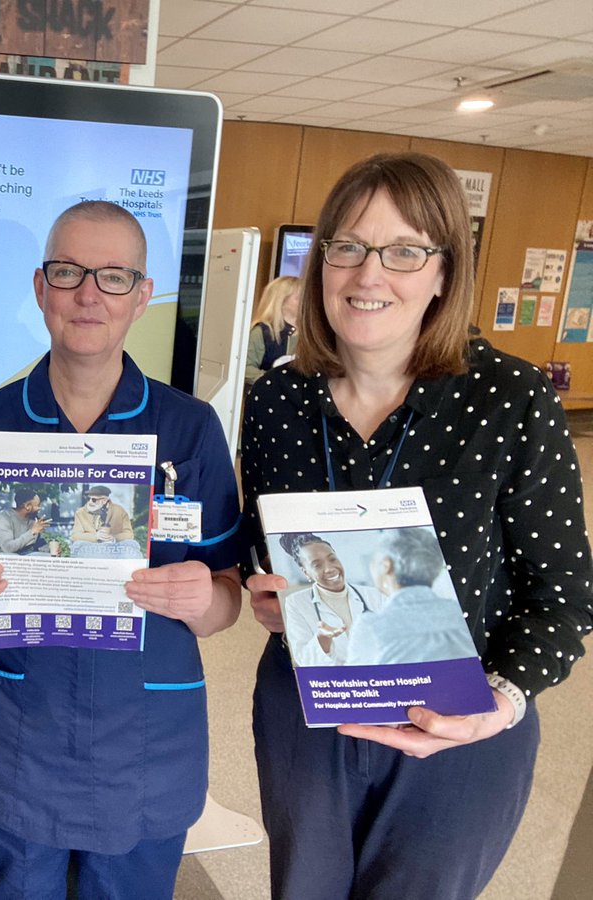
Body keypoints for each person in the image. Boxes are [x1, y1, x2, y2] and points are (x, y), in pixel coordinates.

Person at [242, 152, 593, 899]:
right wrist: (267, 594)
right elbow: (259, 542)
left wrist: (499, 701)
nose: (370, 275)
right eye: (349, 247)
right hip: (311, 715)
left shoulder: (509, 398)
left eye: (404, 251)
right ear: (322, 265)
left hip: (457, 724)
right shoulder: (278, 399)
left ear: (443, 271)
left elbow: (564, 595)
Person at [0, 200, 247, 897]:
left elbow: (227, 598)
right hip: (19, 734)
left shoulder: (191, 429)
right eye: (68, 271)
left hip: (145, 737)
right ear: (41, 286)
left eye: (112, 277)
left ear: (142, 296)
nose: (87, 294)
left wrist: (206, 599)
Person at [348, 527, 479, 665]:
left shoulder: (371, 626)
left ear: (386, 565)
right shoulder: (459, 613)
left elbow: (354, 682)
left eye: (374, 560)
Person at [276, 532, 385, 666]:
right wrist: (322, 641)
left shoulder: (375, 595)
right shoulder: (296, 603)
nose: (329, 569)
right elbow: (303, 661)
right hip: (335, 682)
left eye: (332, 559)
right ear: (306, 572)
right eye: (317, 565)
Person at [243, 275, 300, 389]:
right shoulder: (261, 332)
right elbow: (245, 368)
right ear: (281, 301)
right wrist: (272, 381)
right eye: (299, 297)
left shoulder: (311, 335)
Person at [69, 484, 142, 558]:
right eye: (88, 499)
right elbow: (75, 536)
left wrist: (113, 537)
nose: (90, 502)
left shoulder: (119, 511)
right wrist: (96, 536)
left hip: (114, 546)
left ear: (104, 501)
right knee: (77, 545)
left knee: (132, 544)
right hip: (91, 546)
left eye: (94, 500)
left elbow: (129, 534)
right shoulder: (80, 513)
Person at [0, 488, 51, 555]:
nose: (39, 508)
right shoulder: (4, 517)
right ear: (27, 506)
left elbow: (38, 544)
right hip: (0, 556)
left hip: (22, 555)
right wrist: (32, 532)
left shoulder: (33, 519)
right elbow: (8, 548)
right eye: (37, 505)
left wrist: (49, 548)